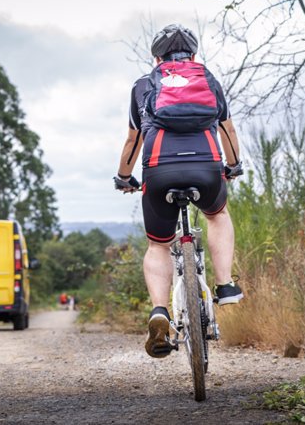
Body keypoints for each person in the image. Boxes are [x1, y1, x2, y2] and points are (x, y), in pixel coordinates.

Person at [114, 23, 244, 359]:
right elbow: (226, 129)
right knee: (218, 215)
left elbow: (133, 139)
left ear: (156, 57)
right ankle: (226, 285)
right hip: (206, 165)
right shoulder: (207, 79)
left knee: (158, 245)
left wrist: (124, 177)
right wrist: (232, 166)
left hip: (159, 169)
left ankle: (160, 312)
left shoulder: (144, 86)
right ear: (194, 55)